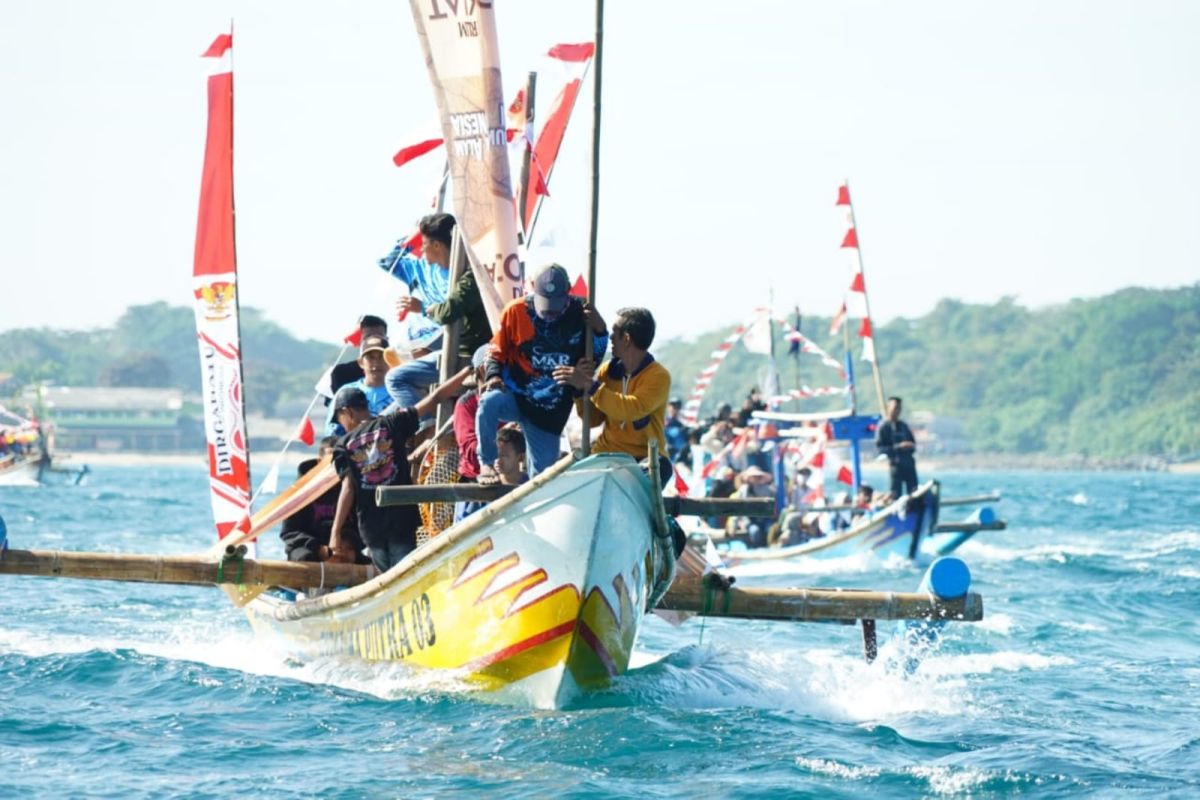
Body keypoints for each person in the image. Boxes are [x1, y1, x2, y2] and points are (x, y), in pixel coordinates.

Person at [327, 367, 470, 573]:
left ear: (346, 412)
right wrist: (465, 372)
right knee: (405, 573)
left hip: (372, 526)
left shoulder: (343, 445)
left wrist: (335, 532)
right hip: (403, 519)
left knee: (386, 577)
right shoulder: (391, 423)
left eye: (339, 419)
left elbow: (348, 489)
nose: (341, 425)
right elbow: (435, 397)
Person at [475, 263, 608, 483]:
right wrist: (494, 376)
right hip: (515, 395)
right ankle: (486, 463)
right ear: (532, 288)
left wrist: (601, 330)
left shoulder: (582, 314)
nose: (550, 316)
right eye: (545, 308)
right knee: (488, 402)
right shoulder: (515, 311)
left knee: (543, 480)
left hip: (549, 411)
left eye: (555, 309)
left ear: (568, 293)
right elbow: (495, 351)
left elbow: (594, 358)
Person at [384, 213, 488, 410]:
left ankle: (425, 423)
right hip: (454, 350)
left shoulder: (470, 274)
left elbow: (448, 312)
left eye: (423, 244)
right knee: (389, 413)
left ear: (437, 245)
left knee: (395, 379)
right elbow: (387, 261)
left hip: (465, 355)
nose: (422, 251)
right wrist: (409, 236)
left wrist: (424, 308)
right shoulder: (446, 273)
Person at [556, 307, 672, 483]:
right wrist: (580, 391)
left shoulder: (658, 376)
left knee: (657, 469)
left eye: (614, 331)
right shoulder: (607, 371)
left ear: (626, 339)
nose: (610, 337)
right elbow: (593, 420)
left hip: (642, 459)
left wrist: (590, 385)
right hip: (606, 455)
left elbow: (630, 409)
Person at [279, 436, 370, 564]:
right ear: (319, 462)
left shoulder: (353, 489)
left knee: (372, 563)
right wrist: (318, 549)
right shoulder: (299, 491)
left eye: (339, 459)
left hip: (343, 547)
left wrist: (349, 544)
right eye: (331, 459)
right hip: (308, 547)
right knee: (304, 557)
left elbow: (365, 527)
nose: (335, 464)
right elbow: (289, 532)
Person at [324, 335, 397, 436]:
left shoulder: (400, 390)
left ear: (389, 359)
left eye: (381, 357)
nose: (376, 363)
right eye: (370, 357)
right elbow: (332, 433)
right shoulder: (345, 393)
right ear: (361, 362)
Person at [323, 315, 390, 403]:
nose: (373, 340)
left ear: (387, 339)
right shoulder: (340, 373)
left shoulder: (398, 370)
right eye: (368, 337)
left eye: (378, 336)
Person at [876, 395, 919, 498]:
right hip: (895, 465)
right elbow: (880, 448)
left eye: (899, 408)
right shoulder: (884, 427)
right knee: (895, 494)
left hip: (909, 464)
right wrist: (899, 447)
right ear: (888, 408)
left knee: (914, 493)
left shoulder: (903, 426)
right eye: (895, 408)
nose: (897, 411)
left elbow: (913, 444)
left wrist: (909, 447)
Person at [664, 398, 688, 463]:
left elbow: (682, 444)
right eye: (673, 406)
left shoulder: (681, 425)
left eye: (677, 407)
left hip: (674, 456)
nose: (674, 409)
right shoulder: (663, 422)